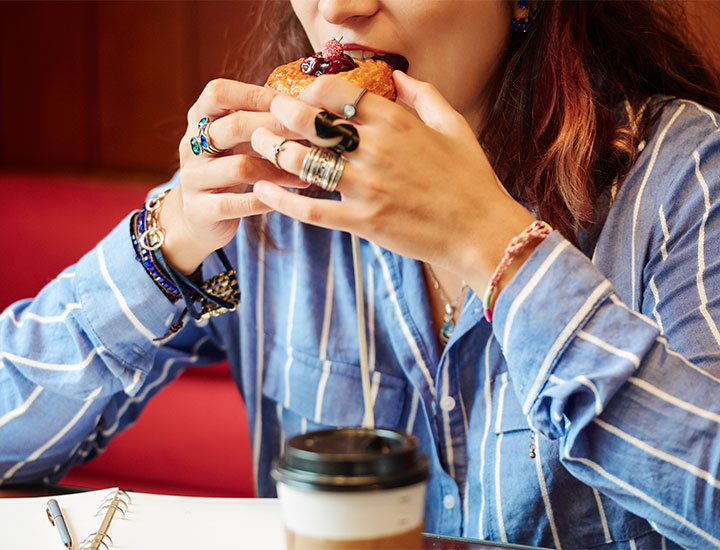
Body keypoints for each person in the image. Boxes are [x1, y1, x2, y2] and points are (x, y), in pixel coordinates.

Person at [1, 1, 720, 548]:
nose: (337, 10)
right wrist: (171, 241)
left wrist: (489, 243)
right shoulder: (268, 188)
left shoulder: (682, 177)